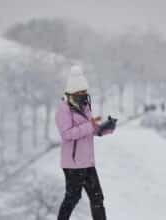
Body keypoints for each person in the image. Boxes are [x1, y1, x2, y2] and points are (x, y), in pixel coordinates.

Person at [55, 65, 115, 220]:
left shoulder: (85, 106)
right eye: (80, 92)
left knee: (97, 198)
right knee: (73, 198)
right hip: (73, 164)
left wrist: (104, 128)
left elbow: (90, 130)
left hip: (87, 161)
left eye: (85, 91)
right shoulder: (63, 109)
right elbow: (66, 134)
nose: (84, 95)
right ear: (72, 92)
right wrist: (90, 125)